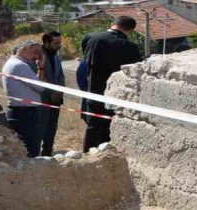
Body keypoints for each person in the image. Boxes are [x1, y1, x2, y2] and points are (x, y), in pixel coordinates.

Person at [79, 16, 144, 150]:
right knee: (109, 128)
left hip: (92, 90)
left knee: (93, 126)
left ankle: (87, 155)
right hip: (115, 94)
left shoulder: (91, 37)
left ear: (112, 24)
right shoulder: (129, 46)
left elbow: (86, 58)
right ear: (130, 31)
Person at [2, 42, 45, 156]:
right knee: (31, 150)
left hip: (21, 111)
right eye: (35, 52)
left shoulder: (13, 63)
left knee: (27, 149)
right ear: (26, 49)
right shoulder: (20, 65)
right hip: (25, 113)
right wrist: (41, 67)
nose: (36, 56)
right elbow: (40, 87)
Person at [38, 31, 66, 156]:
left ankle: (47, 152)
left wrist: (60, 91)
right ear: (46, 43)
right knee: (40, 127)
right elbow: (39, 78)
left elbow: (60, 75)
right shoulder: (37, 56)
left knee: (51, 128)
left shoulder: (56, 55)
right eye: (56, 43)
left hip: (56, 99)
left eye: (60, 42)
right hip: (41, 98)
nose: (59, 45)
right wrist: (51, 93)